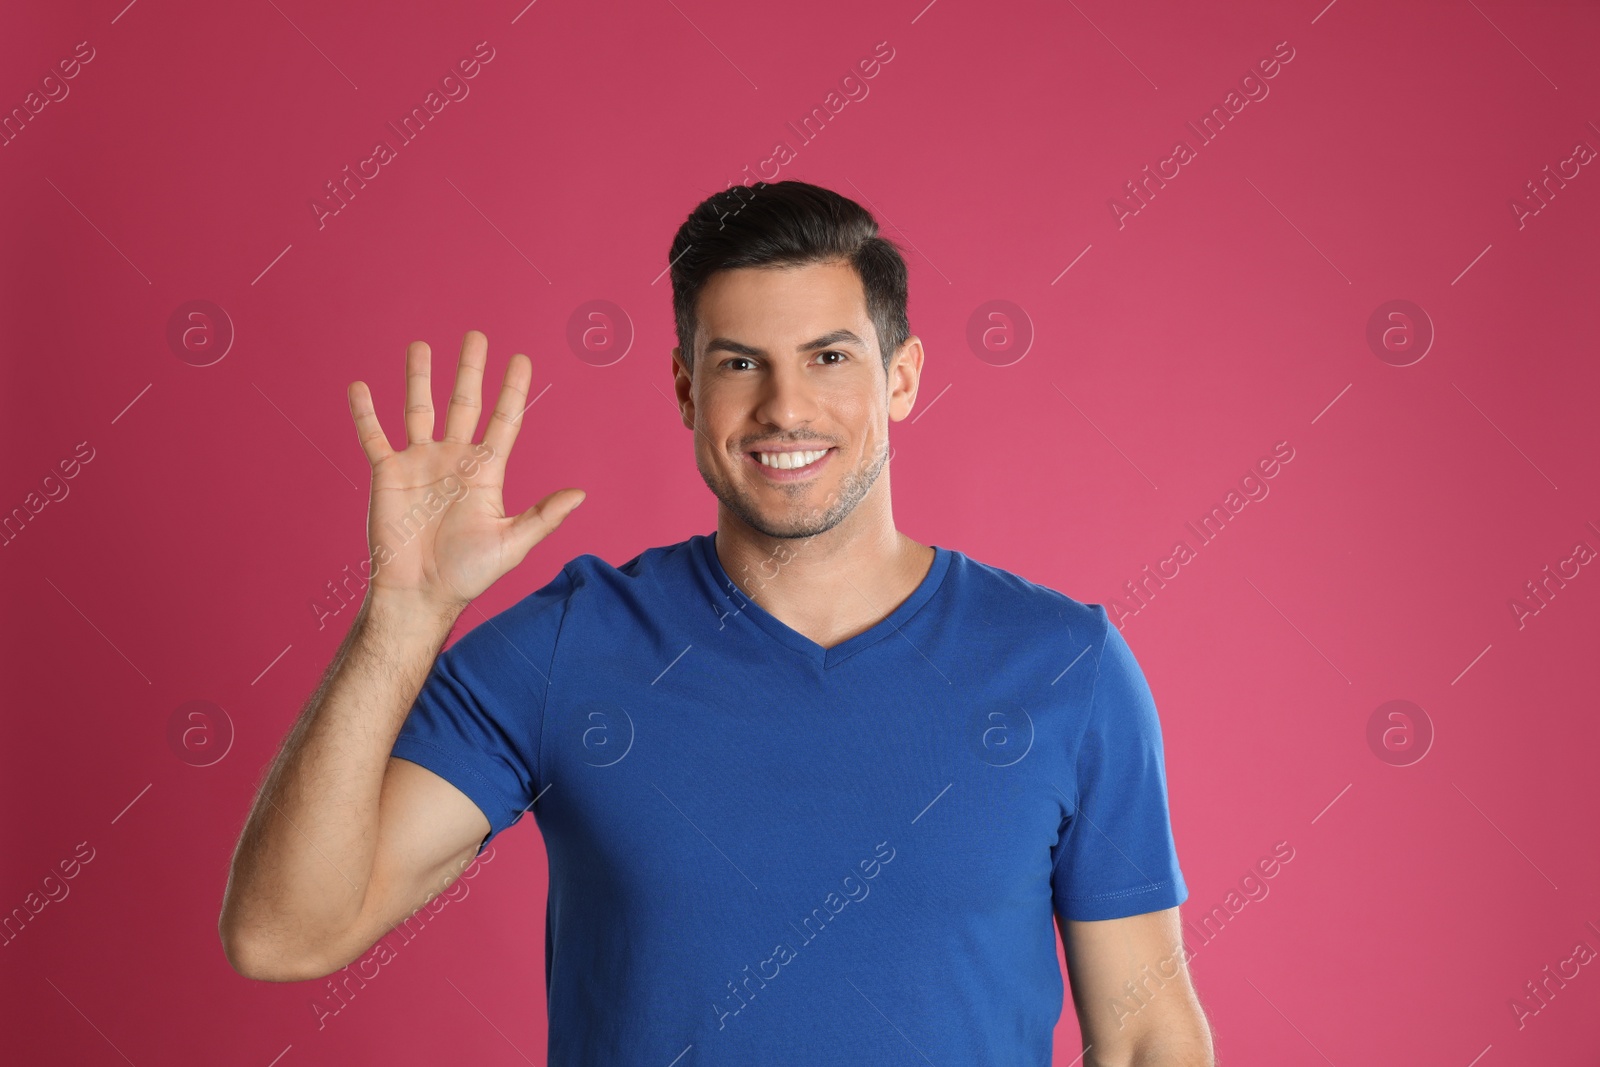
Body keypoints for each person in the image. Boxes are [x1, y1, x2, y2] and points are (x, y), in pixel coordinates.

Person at [219, 180, 1215, 1065]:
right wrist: (403, 615)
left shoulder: (1063, 665)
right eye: (740, 364)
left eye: (829, 355)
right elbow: (284, 934)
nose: (786, 406)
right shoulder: (573, 645)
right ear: (687, 388)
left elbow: (1142, 1033)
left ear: (900, 377)